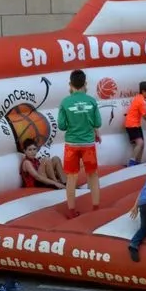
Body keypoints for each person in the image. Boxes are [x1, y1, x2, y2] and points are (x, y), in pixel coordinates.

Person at [57, 69, 103, 219]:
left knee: (71, 177)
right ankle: (96, 208)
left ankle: (71, 211)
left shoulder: (65, 102)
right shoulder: (91, 101)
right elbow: (98, 123)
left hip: (71, 145)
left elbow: (62, 126)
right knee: (93, 175)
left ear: (70, 84)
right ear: (85, 83)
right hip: (88, 144)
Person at [124, 81, 146, 167]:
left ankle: (138, 162)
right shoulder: (141, 101)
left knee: (142, 144)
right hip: (131, 125)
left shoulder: (139, 98)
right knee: (140, 143)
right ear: (143, 91)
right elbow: (145, 117)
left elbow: (142, 108)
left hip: (135, 124)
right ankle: (132, 163)